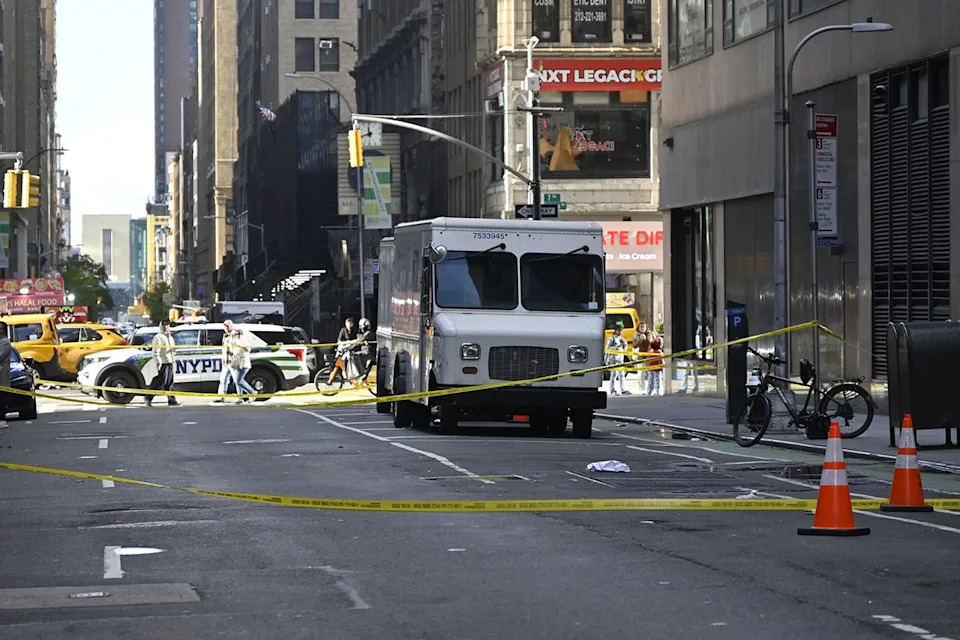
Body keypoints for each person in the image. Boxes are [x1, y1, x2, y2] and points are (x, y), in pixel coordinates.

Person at [146, 320, 179, 407]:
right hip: (163, 362)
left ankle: (171, 400)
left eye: (168, 325)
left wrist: (174, 350)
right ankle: (148, 397)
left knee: (169, 382)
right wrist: (158, 361)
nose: (167, 327)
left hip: (170, 361)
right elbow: (155, 351)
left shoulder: (170, 337)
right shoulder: (158, 337)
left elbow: (171, 349)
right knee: (161, 381)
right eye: (165, 325)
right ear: (162, 326)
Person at [227, 327, 256, 403]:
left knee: (238, 381)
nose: (237, 335)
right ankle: (240, 398)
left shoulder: (244, 341)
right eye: (236, 334)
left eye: (239, 334)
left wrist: (240, 344)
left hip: (244, 364)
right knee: (238, 381)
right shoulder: (234, 341)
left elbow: (248, 349)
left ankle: (252, 392)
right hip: (236, 363)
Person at [211, 320, 235, 405]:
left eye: (227, 326)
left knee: (238, 381)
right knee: (223, 379)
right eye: (225, 326)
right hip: (226, 362)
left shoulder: (236, 335)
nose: (226, 328)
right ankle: (221, 397)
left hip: (233, 362)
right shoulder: (225, 336)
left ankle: (246, 395)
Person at [605, 322, 629, 396]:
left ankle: (623, 389)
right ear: (615, 331)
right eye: (619, 330)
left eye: (621, 331)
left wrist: (624, 344)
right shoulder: (611, 339)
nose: (620, 332)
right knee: (614, 374)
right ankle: (612, 389)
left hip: (620, 358)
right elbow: (607, 348)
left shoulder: (622, 339)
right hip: (613, 359)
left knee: (621, 374)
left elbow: (624, 350)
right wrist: (616, 346)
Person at [356, 317, 375, 383]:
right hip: (366, 352)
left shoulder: (368, 333)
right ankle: (363, 376)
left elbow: (360, 340)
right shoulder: (364, 334)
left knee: (356, 356)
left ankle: (360, 374)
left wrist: (349, 348)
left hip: (369, 353)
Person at [646, 330, 664, 397]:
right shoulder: (659, 352)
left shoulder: (650, 351)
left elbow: (648, 359)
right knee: (658, 380)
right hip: (657, 369)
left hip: (650, 368)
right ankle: (658, 391)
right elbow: (661, 361)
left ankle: (649, 391)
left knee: (650, 380)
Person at [0, 322, 10, 428]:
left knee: (2, 399)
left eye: (1, 328)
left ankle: (2, 419)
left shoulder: (4, 343)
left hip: (2, 377)